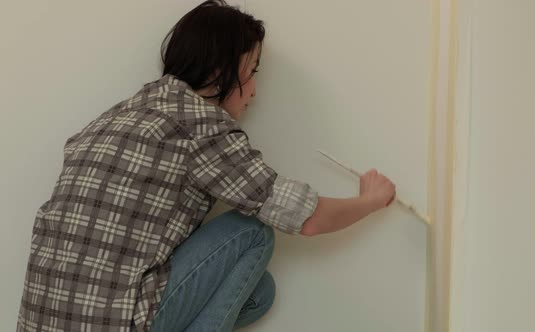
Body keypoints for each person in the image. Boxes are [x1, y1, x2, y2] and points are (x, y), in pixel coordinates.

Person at [17, 1, 396, 331]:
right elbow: (307, 219)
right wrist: (371, 200)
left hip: (40, 320)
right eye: (252, 73)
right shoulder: (199, 125)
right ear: (220, 70)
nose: (254, 91)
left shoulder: (119, 114)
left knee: (258, 294)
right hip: (115, 323)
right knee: (254, 230)